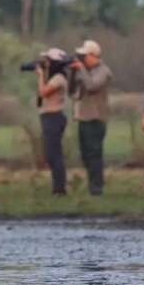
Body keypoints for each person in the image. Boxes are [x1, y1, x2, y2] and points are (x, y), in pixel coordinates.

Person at [70, 40, 112, 196]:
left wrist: (80, 69)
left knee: (94, 154)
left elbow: (92, 86)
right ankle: (93, 184)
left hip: (96, 118)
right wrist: (74, 72)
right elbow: (72, 91)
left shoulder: (104, 71)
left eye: (84, 55)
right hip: (83, 118)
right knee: (85, 154)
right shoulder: (83, 71)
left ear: (93, 55)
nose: (81, 58)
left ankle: (96, 188)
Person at [35, 48, 69, 196]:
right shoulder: (55, 78)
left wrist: (40, 75)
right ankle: (57, 187)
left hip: (53, 117)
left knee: (54, 154)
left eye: (48, 61)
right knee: (51, 154)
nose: (46, 63)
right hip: (49, 117)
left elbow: (43, 92)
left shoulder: (59, 78)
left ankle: (59, 189)